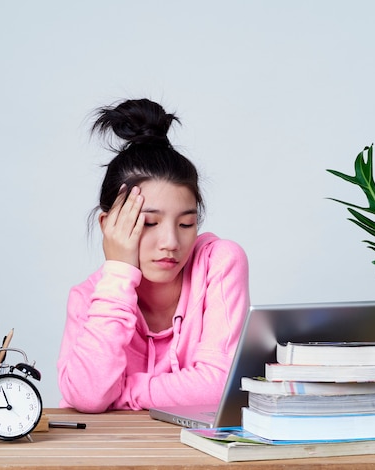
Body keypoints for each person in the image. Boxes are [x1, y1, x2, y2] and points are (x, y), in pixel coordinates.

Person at [57, 98, 250, 412]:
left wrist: (122, 392)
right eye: (148, 223)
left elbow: (221, 385)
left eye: (187, 223)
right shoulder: (89, 298)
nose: (171, 242)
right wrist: (118, 271)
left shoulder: (219, 262)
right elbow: (89, 396)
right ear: (109, 226)